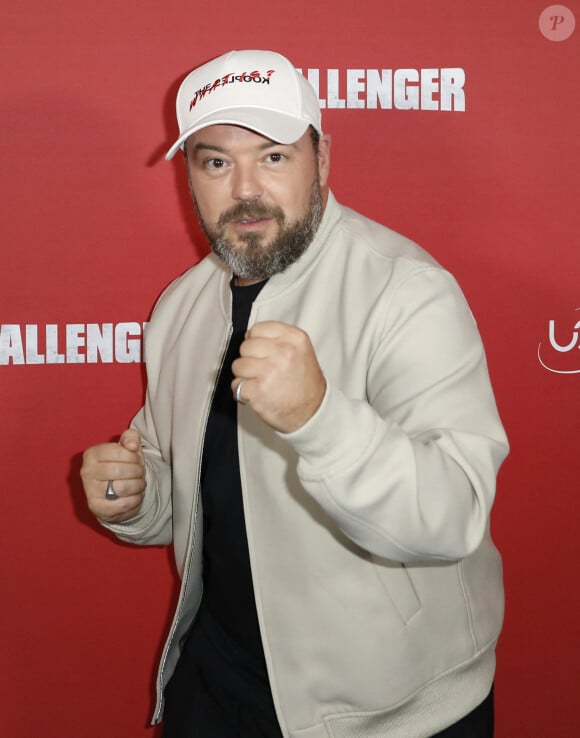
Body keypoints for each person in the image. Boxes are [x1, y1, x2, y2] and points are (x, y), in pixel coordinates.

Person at [80, 49, 508, 738]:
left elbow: (453, 516)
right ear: (190, 176)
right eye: (216, 162)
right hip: (220, 687)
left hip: (391, 712)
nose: (244, 189)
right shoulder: (181, 308)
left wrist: (320, 418)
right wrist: (136, 496)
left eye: (274, 157)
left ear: (323, 159)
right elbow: (188, 498)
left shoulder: (407, 291)